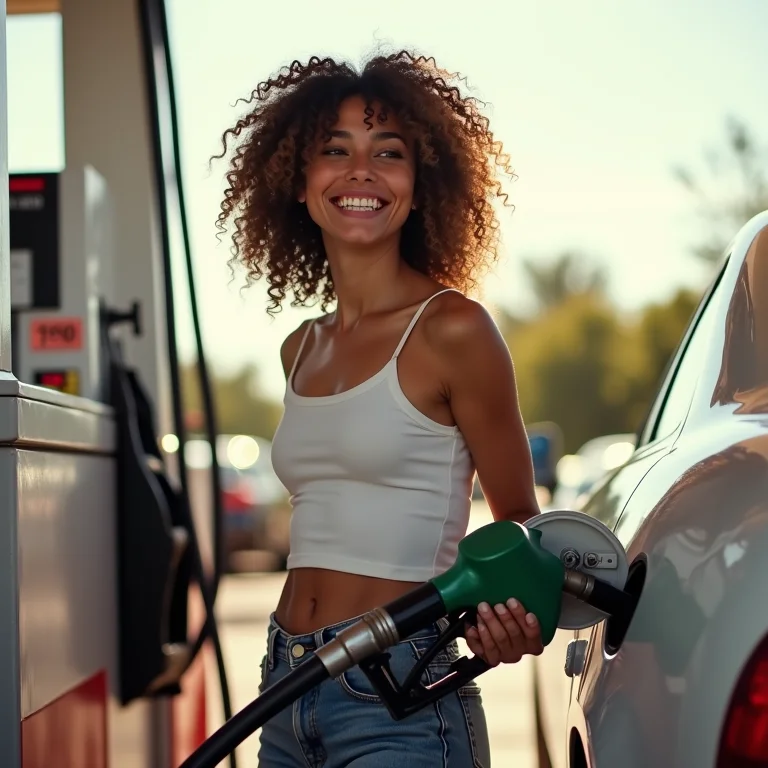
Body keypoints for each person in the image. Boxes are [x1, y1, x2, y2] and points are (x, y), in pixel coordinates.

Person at [214, 49, 543, 767]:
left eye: (387, 153)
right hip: (285, 678)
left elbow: (522, 524)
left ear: (420, 186)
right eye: (335, 150)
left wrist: (511, 621)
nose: (360, 171)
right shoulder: (299, 348)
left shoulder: (454, 330)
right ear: (298, 182)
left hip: (397, 692)